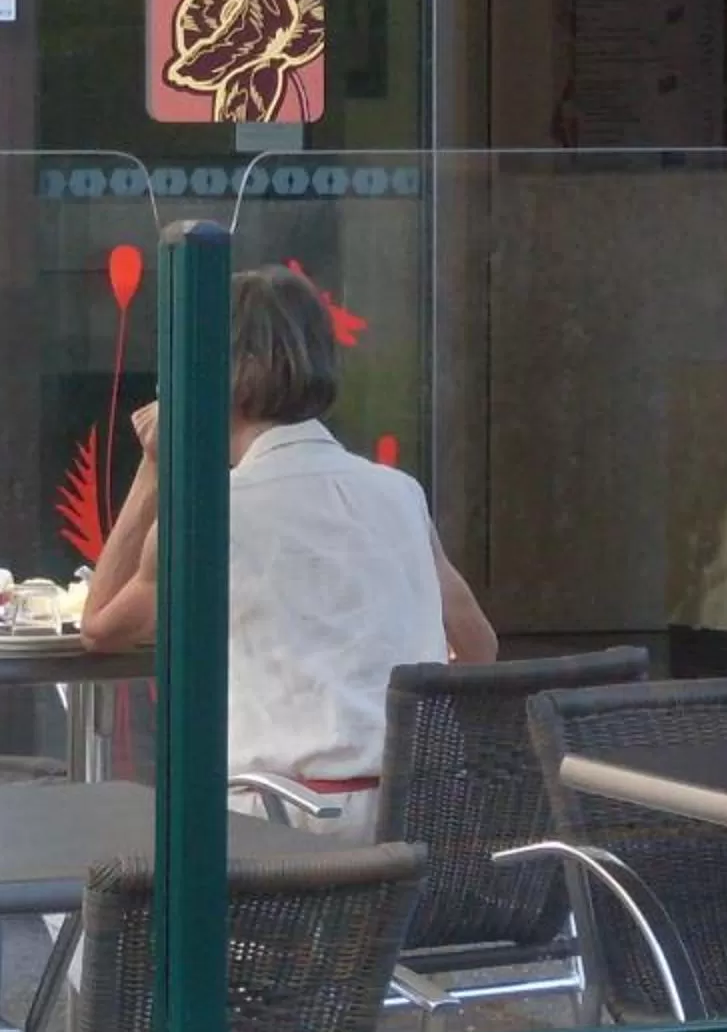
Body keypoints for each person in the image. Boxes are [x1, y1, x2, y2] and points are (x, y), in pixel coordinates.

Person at [82, 265, 497, 840]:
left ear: (212, 374)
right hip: (417, 830)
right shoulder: (400, 493)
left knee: (86, 868)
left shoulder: (212, 513)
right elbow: (478, 648)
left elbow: (99, 627)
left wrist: (155, 466)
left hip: (278, 832)